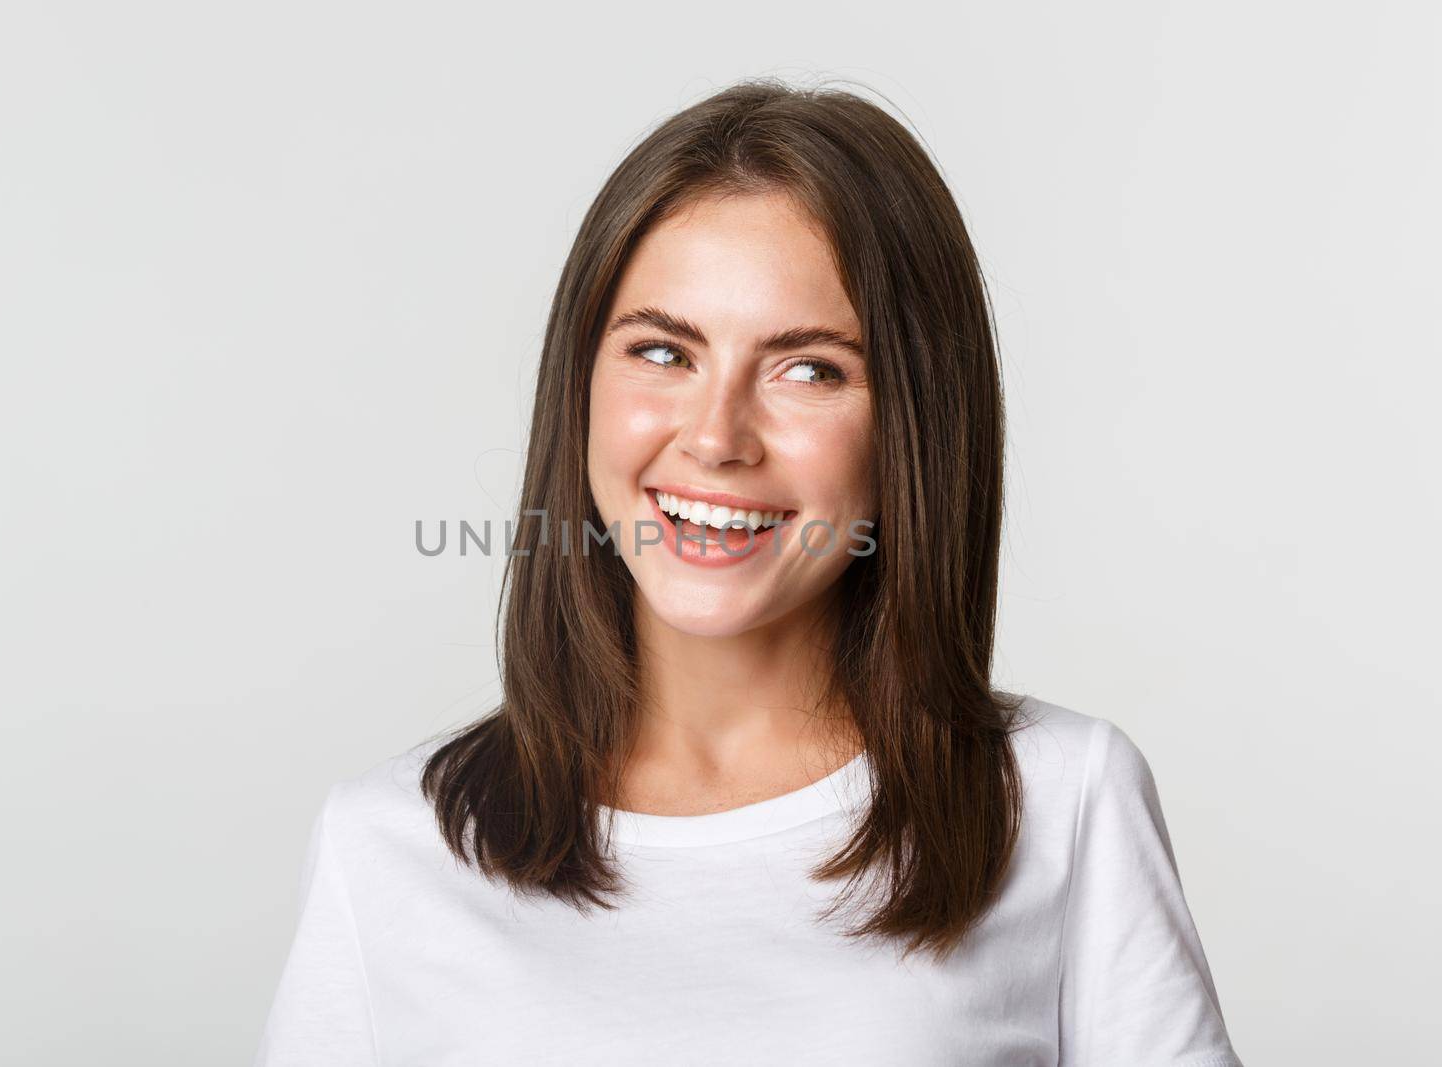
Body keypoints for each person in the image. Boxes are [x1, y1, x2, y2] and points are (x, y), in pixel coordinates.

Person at [252, 79, 1243, 1066]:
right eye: (660, 350)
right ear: (579, 385)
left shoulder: (1060, 799)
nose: (717, 436)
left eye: (808, 367)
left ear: (912, 422)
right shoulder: (386, 845)